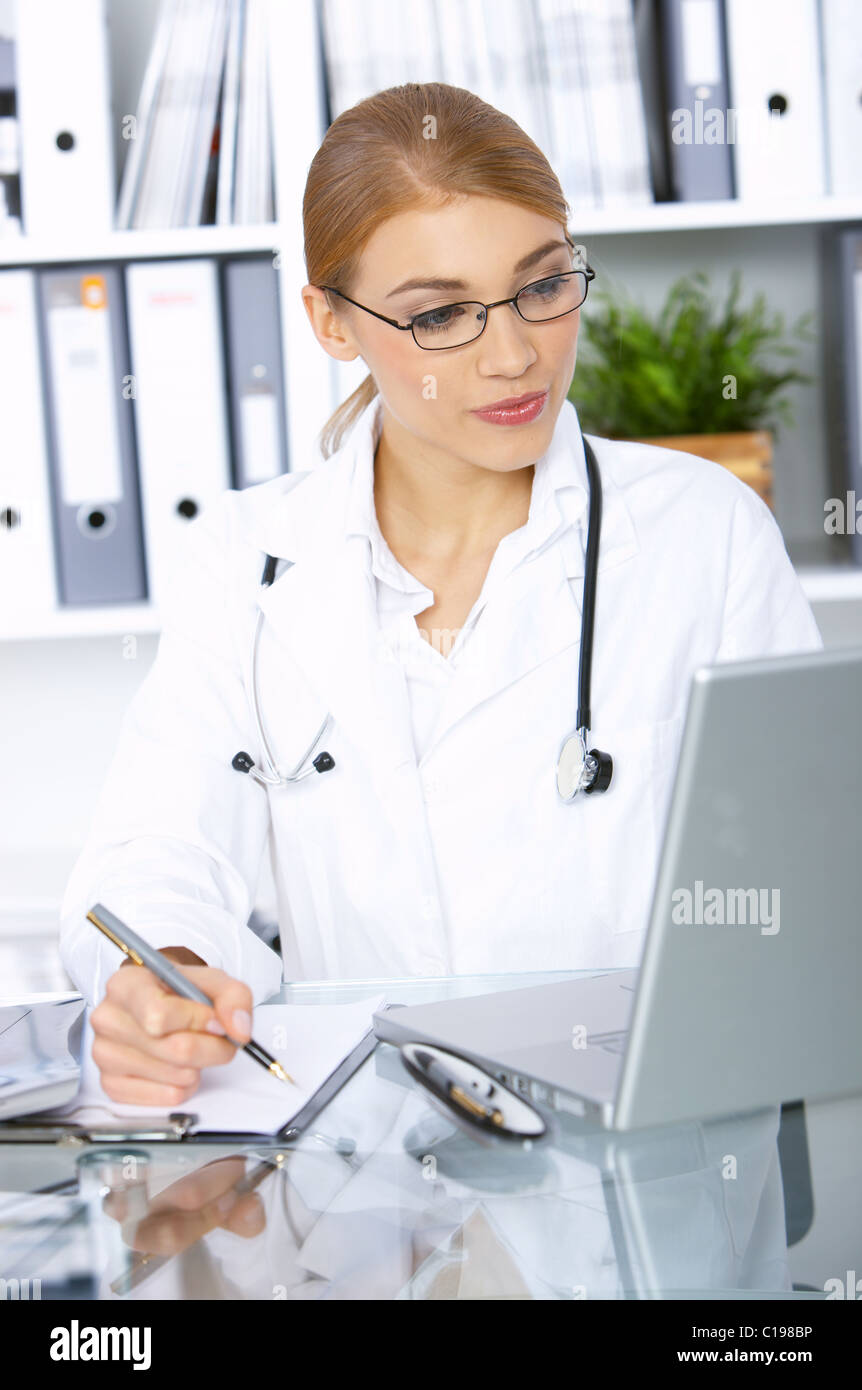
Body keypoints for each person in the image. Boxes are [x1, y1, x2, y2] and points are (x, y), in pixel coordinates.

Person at [59, 82, 822, 1107]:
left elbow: (801, 881)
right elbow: (160, 845)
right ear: (330, 322)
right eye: (439, 314)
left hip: (640, 1171)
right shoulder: (247, 556)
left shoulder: (702, 532)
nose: (512, 354)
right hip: (360, 1184)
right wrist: (167, 970)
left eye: (544, 286)